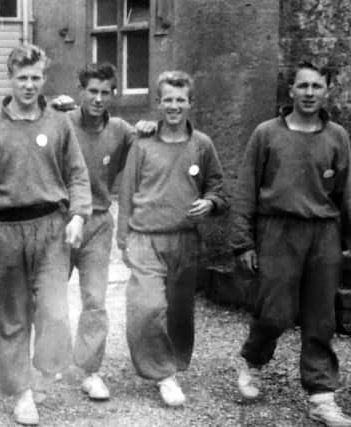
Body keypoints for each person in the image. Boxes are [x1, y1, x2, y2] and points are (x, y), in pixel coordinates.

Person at [0, 44, 92, 426]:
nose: (29, 85)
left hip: (50, 228)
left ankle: (44, 370)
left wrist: (79, 215)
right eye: (22, 78)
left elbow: (78, 175)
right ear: (10, 79)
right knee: (9, 317)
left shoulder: (60, 123)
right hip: (1, 231)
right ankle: (22, 392)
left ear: (43, 78)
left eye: (35, 77)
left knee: (54, 312)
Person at [232, 61, 351, 427]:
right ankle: (252, 361)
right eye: (303, 86)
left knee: (321, 317)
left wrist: (348, 240)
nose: (310, 93)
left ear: (326, 90)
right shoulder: (266, 134)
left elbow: (347, 193)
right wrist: (243, 242)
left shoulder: (338, 137)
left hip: (323, 233)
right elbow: (245, 190)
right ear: (291, 90)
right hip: (278, 230)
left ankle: (321, 394)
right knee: (275, 312)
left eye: (317, 86)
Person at [117, 70, 228, 407]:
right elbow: (126, 192)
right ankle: (163, 374)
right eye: (168, 99)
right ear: (158, 102)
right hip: (145, 238)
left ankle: (173, 364)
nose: (174, 106)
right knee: (147, 307)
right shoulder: (143, 143)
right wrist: (123, 239)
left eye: (181, 100)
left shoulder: (202, 145)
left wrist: (209, 203)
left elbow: (218, 188)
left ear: (190, 103)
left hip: (185, 240)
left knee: (179, 311)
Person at [65, 63, 136, 401]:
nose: (97, 98)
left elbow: (149, 148)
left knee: (94, 299)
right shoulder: (62, 122)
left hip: (98, 223)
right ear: (81, 90)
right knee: (46, 296)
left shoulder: (121, 130)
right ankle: (42, 367)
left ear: (113, 94)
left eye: (104, 92)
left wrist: (150, 126)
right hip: (61, 221)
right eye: (92, 91)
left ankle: (90, 371)